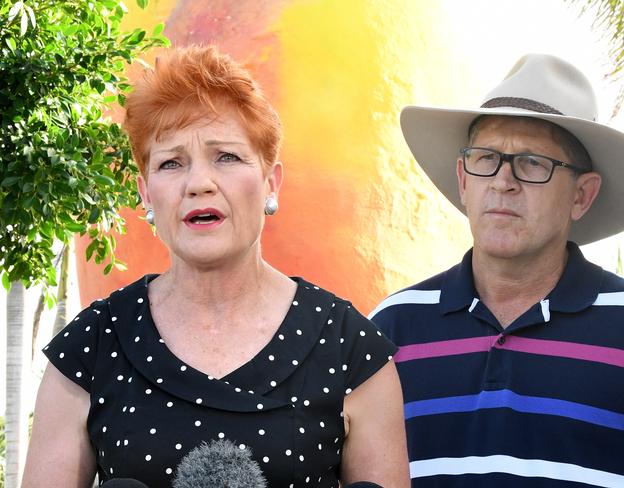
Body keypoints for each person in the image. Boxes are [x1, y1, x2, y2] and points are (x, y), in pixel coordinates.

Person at [22, 45, 410, 488]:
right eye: (171, 163)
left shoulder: (351, 349)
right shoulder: (89, 347)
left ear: (270, 181)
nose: (199, 184)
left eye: (226, 157)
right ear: (147, 194)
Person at [370, 53, 624, 486]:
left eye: (534, 162)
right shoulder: (391, 327)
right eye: (486, 158)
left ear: (582, 195)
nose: (503, 181)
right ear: (464, 180)